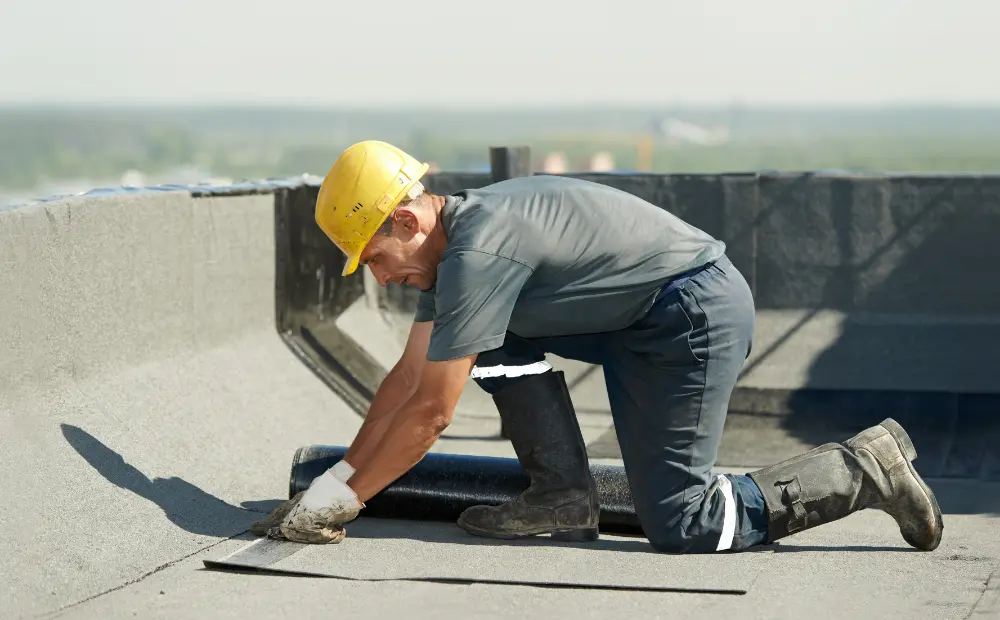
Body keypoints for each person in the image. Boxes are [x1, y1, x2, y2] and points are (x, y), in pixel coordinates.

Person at [252, 140, 943, 553]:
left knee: (685, 523)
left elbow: (432, 414)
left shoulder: (479, 249)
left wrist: (341, 504)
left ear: (406, 217)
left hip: (690, 317)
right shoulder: (450, 257)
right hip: (639, 319)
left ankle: (858, 471)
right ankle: (562, 495)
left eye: (375, 257)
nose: (380, 277)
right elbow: (406, 382)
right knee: (482, 340)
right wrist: (335, 484)